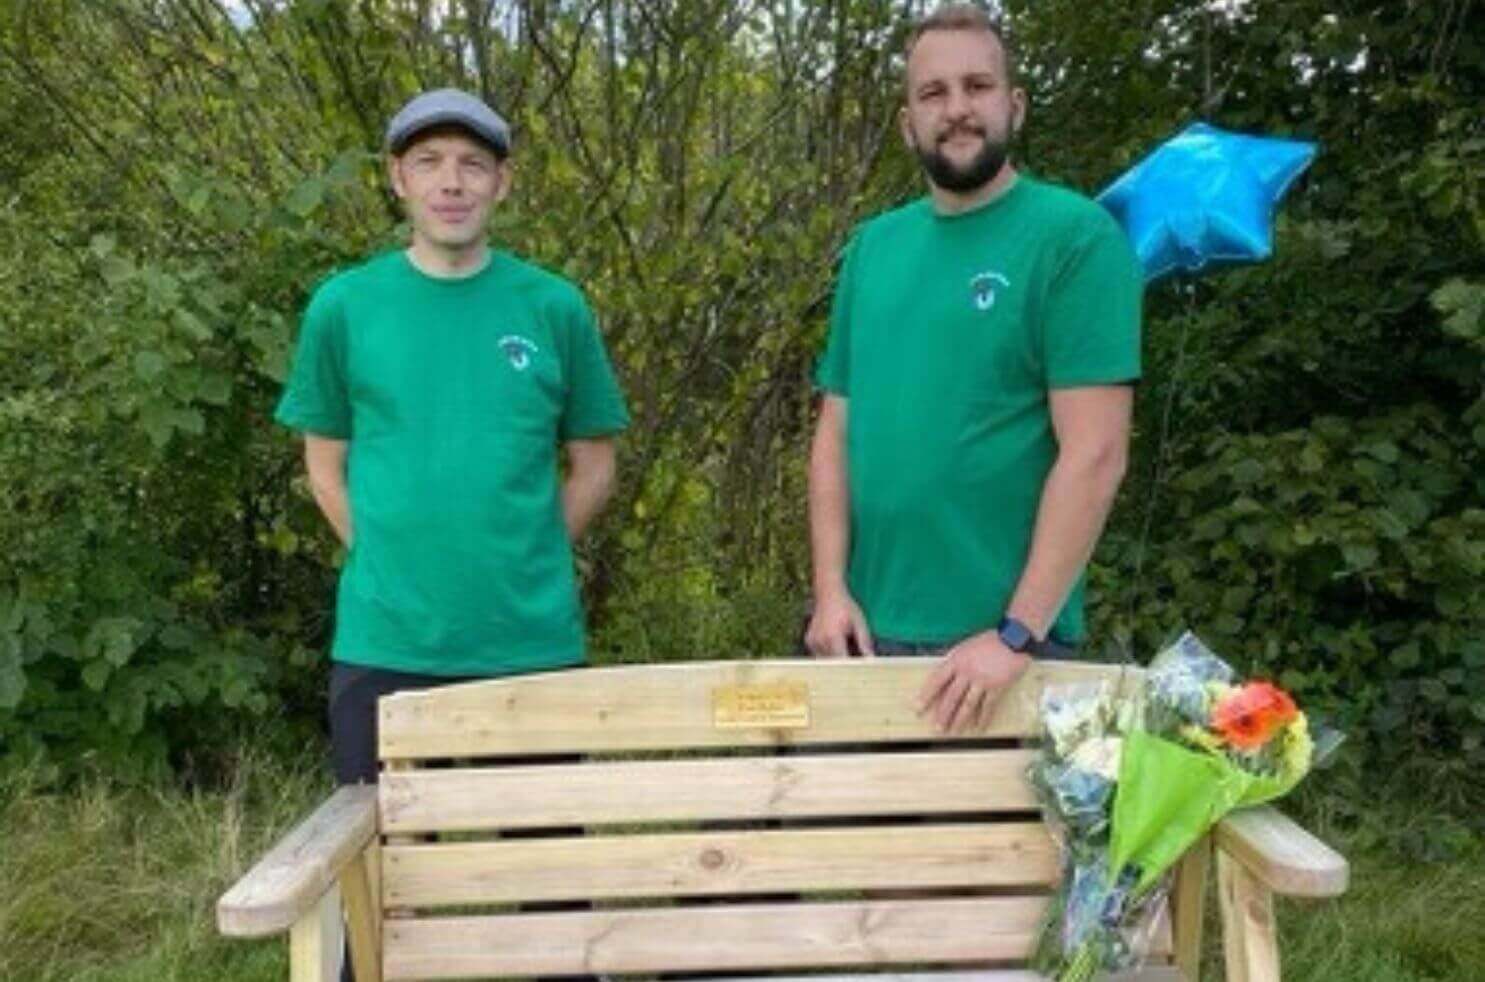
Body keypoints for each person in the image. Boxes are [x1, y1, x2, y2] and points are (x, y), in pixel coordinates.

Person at [275, 88, 630, 789]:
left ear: (502, 182)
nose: (451, 181)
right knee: (384, 869)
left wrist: (525, 552)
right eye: (429, 160)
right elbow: (323, 466)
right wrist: (388, 555)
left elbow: (594, 466)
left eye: (472, 163)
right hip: (388, 638)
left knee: (545, 877)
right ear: (397, 177)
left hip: (528, 639)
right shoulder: (344, 307)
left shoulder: (553, 306)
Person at [804, 5, 1142, 735]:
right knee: (846, 850)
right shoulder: (872, 248)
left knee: (990, 855)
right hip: (862, 636)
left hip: (1002, 654)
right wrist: (829, 591)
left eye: (976, 86)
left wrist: (1015, 634)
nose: (955, 110)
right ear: (906, 123)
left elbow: (1096, 453)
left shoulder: (1073, 238)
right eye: (932, 94)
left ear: (1012, 105)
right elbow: (836, 432)